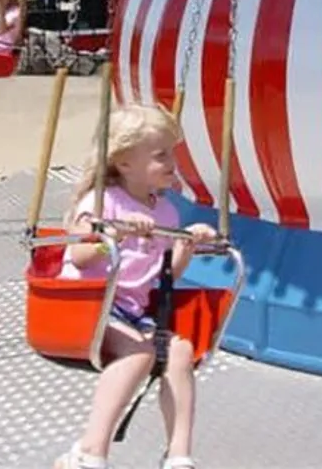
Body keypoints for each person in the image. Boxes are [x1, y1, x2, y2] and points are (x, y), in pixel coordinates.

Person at [55, 103, 217, 469]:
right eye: (161, 155)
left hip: (130, 310)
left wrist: (185, 246)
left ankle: (178, 455)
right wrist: (113, 231)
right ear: (125, 162)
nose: (172, 162)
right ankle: (89, 450)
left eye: (172, 152)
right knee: (141, 353)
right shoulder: (101, 201)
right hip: (87, 304)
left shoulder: (166, 213)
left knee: (181, 350)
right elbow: (79, 255)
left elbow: (165, 278)